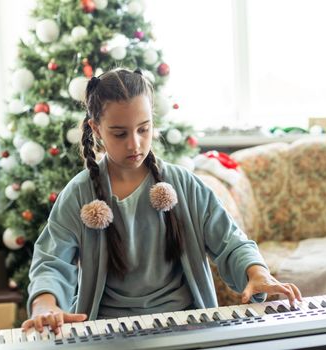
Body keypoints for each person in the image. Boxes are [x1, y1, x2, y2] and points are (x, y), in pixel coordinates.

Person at [22, 67, 302, 334]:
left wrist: (257, 272)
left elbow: (230, 240)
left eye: (143, 129)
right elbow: (51, 260)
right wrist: (44, 303)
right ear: (96, 129)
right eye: (119, 134)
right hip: (105, 329)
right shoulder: (78, 194)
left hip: (186, 322)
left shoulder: (183, 184)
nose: (135, 144)